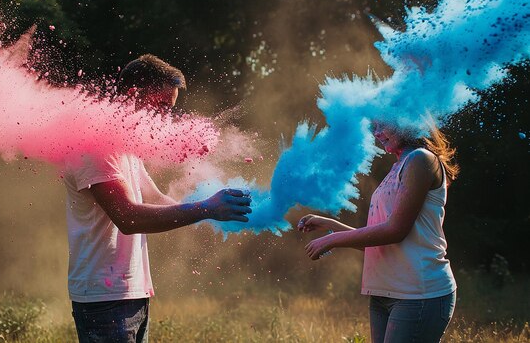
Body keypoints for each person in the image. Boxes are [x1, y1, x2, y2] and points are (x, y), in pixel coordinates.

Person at [64, 54, 252, 343]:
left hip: (132, 293)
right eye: (162, 105)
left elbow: (157, 198)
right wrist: (205, 209)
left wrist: (215, 209)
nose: (166, 117)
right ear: (133, 94)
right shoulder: (95, 146)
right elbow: (128, 217)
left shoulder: (124, 144)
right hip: (104, 299)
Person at [298, 121, 459, 343]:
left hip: (417, 293)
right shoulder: (399, 165)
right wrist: (330, 224)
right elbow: (376, 241)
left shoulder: (420, 159)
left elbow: (395, 231)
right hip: (385, 293)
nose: (377, 133)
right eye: (373, 127)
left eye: (383, 125)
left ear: (406, 118)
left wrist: (333, 240)